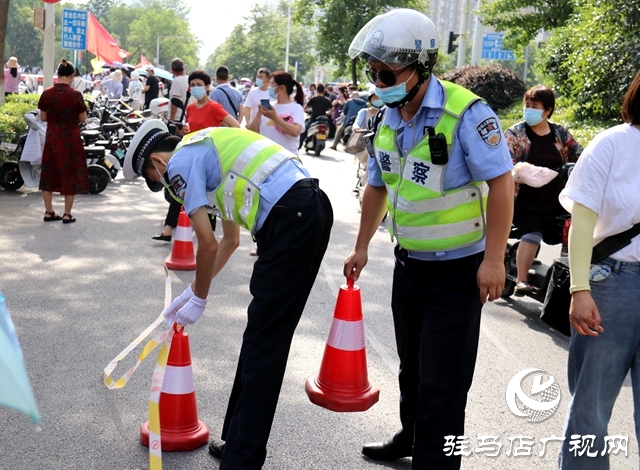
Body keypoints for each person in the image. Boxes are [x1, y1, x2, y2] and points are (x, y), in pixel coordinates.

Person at [343, 9, 514, 469]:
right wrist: (361, 245)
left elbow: (502, 182)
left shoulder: (467, 113)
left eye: (386, 73)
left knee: (444, 381)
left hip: (458, 271)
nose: (378, 82)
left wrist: (494, 260)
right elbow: (377, 184)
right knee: (413, 369)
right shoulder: (385, 117)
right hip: (409, 265)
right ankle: (412, 435)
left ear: (421, 68)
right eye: (372, 73)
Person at [123, 121, 333, 470]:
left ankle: (241, 459)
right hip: (307, 211)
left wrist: (200, 298)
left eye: (152, 179)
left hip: (290, 219)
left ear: (158, 163)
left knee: (264, 345)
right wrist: (193, 291)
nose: (164, 186)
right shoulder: (207, 147)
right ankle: (237, 442)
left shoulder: (179, 165)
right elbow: (230, 241)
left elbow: (206, 244)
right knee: (260, 339)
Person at [557, 69, 640, 469]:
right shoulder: (613, 144)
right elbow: (583, 223)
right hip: (611, 284)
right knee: (590, 411)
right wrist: (579, 288)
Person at [505, 85, 582, 295]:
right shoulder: (515, 134)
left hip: (558, 200)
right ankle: (522, 279)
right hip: (525, 202)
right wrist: (521, 170)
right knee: (533, 233)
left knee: (574, 232)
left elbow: (580, 156)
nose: (529, 109)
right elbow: (506, 161)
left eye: (534, 106)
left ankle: (570, 280)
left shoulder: (561, 134)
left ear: (547, 110)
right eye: (527, 105)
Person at [152, 70, 240, 242]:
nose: (195, 88)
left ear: (207, 87)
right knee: (180, 191)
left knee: (207, 199)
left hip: (209, 160)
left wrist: (217, 137)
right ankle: (169, 230)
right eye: (192, 85)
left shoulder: (214, 107)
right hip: (190, 157)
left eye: (199, 85)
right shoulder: (191, 108)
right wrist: (185, 131)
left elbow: (235, 126)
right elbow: (193, 130)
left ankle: (207, 241)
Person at [37, 59, 89, 224]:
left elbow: (43, 117)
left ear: (57, 75)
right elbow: (83, 118)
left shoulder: (46, 93)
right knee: (70, 174)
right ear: (72, 76)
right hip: (71, 138)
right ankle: (67, 214)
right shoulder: (76, 95)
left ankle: (48, 211)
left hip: (52, 136)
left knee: (48, 173)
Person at [247, 70, 305, 156]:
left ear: (281, 88)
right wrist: (259, 114)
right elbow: (253, 131)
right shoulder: (269, 107)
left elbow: (295, 131)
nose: (269, 88)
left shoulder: (296, 108)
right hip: (266, 158)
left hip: (286, 160)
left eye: (272, 85)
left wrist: (274, 117)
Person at [301, 83, 333, 148]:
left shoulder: (313, 99)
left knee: (303, 131)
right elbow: (332, 110)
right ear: (324, 90)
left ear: (317, 90)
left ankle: (298, 146)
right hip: (324, 121)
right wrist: (327, 113)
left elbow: (305, 107)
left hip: (313, 119)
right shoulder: (327, 100)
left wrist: (304, 111)